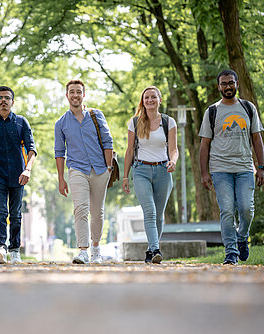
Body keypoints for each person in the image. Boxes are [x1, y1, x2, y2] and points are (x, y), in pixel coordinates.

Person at [199, 69, 264, 265]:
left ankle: (242, 237)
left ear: (237, 84)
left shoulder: (248, 108)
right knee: (227, 210)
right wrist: (204, 173)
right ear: (218, 87)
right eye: (224, 83)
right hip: (220, 169)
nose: (227, 86)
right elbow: (204, 144)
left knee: (246, 209)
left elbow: (257, 138)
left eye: (231, 83)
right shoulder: (212, 111)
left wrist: (261, 167)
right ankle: (230, 252)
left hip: (245, 167)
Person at [54, 79, 114, 264]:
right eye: (72, 92)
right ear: (67, 96)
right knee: (80, 209)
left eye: (78, 92)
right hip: (77, 169)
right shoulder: (61, 123)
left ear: (83, 94)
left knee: (97, 212)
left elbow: (108, 141)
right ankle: (83, 251)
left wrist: (109, 168)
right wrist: (61, 179)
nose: (75, 95)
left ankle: (96, 249)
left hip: (99, 169)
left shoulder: (96, 115)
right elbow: (59, 152)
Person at [0, 86, 37, 264]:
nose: (3, 101)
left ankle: (15, 249)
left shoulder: (21, 122)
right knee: (0, 212)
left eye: (7, 98)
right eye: (0, 98)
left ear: (13, 101)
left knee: (16, 214)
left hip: (18, 175)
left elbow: (32, 149)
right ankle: (0, 248)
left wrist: (27, 169)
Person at [122, 86, 178, 264]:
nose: (150, 100)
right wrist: (125, 176)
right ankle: (155, 249)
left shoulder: (169, 122)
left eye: (153, 97)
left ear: (159, 100)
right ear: (142, 101)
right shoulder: (135, 122)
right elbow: (130, 150)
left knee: (159, 215)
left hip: (163, 170)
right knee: (150, 212)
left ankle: (150, 250)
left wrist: (173, 161)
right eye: (146, 97)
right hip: (141, 170)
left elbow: (174, 149)